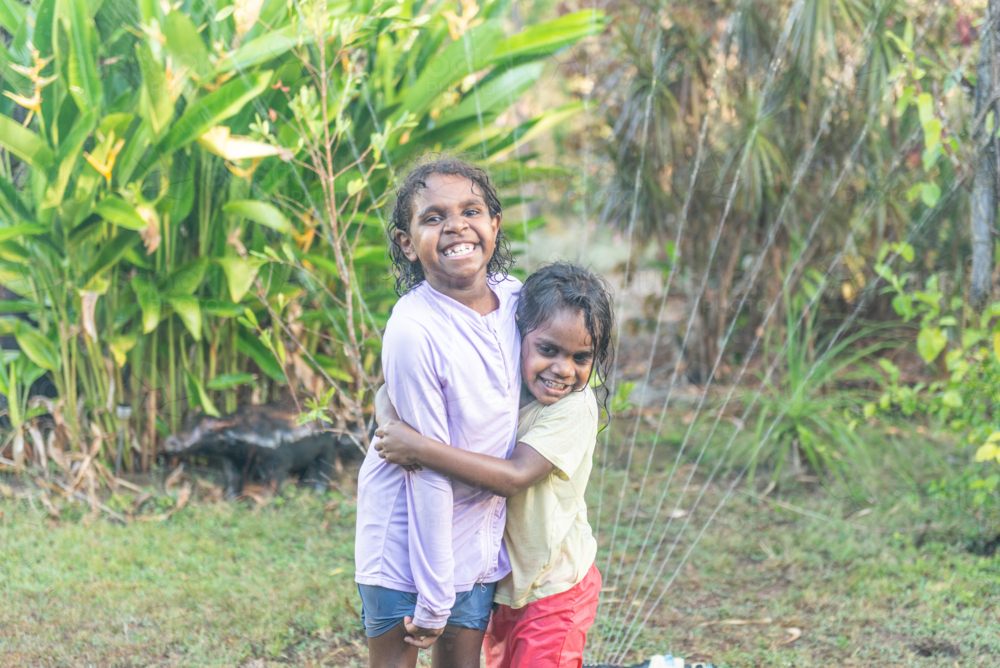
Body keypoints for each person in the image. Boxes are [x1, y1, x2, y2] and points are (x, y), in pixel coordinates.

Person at [375, 262, 616, 668]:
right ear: (519, 335)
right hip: (505, 586)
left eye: (581, 357)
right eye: (548, 350)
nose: (563, 369)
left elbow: (514, 477)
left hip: (554, 588)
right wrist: (390, 425)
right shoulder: (501, 385)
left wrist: (417, 448)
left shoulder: (574, 408)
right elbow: (389, 390)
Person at [354, 157, 521, 668]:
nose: (455, 225)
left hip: (476, 543)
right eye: (432, 217)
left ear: (494, 224)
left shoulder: (518, 299)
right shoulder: (414, 328)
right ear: (407, 243)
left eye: (472, 210)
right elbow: (421, 472)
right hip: (406, 541)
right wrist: (433, 597)